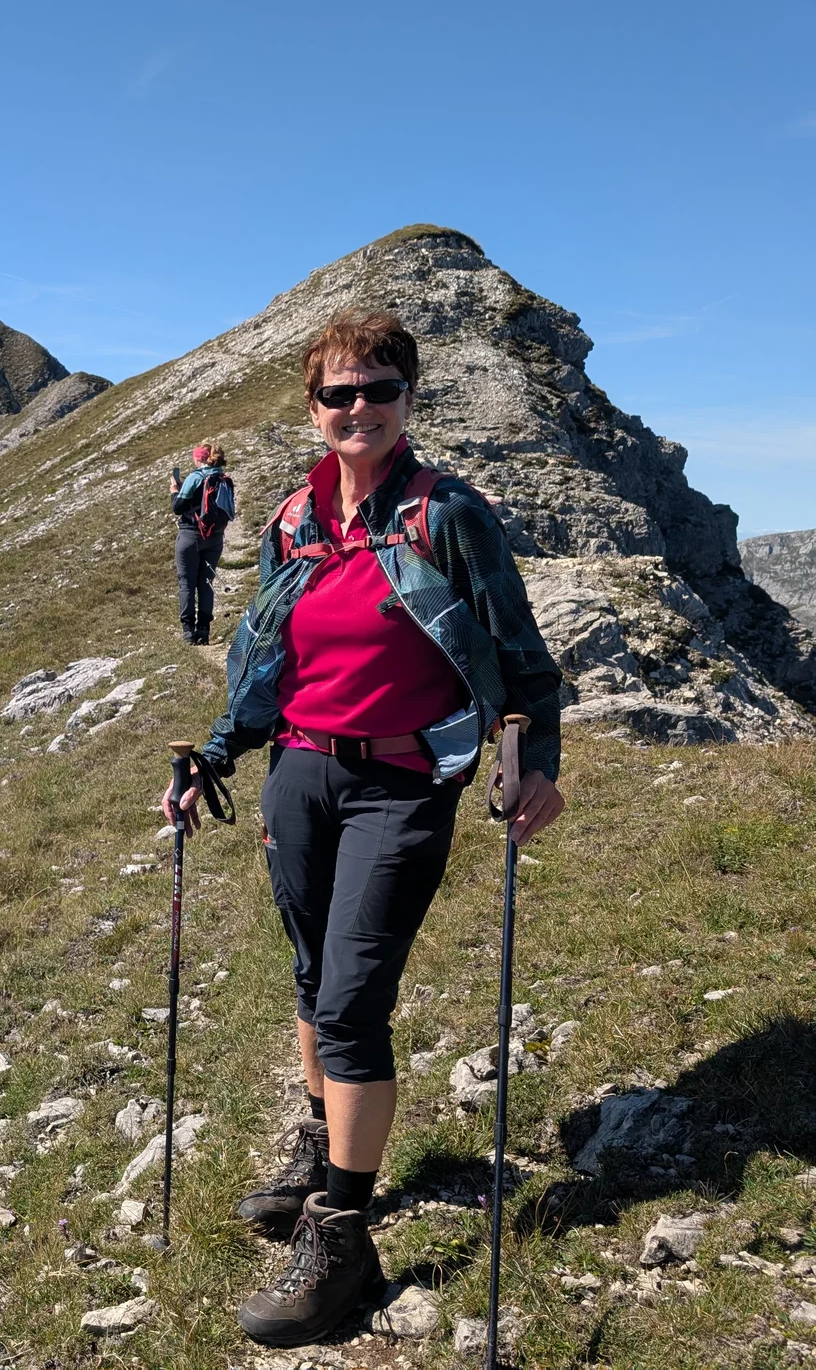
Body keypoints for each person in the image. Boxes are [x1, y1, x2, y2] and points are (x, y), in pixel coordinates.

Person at [161, 309, 566, 1349]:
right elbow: (261, 655)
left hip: (402, 786)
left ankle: (344, 1233)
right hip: (301, 773)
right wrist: (215, 753)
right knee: (309, 974)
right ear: (312, 405)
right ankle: (316, 1144)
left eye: (378, 388)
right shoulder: (295, 518)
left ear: (408, 399)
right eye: (338, 392)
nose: (358, 408)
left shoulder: (448, 514)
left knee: (350, 999)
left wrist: (540, 766)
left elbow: (523, 663)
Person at [170, 442, 236, 643]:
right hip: (215, 538)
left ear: (198, 458)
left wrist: (174, 490)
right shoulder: (224, 479)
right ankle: (204, 630)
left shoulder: (195, 477)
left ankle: (188, 631)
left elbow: (178, 507)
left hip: (191, 535)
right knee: (206, 583)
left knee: (187, 583)